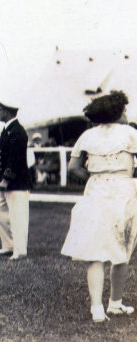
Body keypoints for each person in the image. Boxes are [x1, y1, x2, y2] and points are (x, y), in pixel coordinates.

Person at [61, 91, 137, 322]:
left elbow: (73, 167)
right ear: (118, 112)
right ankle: (114, 302)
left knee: (95, 251)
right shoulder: (131, 133)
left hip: (95, 191)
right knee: (122, 248)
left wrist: (96, 177)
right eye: (124, 109)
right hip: (124, 190)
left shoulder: (86, 135)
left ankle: (98, 308)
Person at [0, 98, 32, 260]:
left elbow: (15, 159)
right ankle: (8, 245)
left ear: (7, 111)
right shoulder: (8, 130)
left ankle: (20, 250)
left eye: (0, 109)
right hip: (5, 182)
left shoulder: (17, 131)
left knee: (18, 216)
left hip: (16, 182)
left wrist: (6, 180)